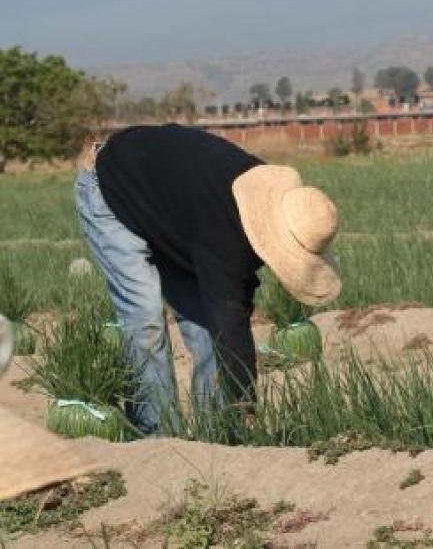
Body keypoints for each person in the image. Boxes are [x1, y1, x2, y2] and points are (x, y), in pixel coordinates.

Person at [75, 123, 340, 434]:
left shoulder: (261, 197)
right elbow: (230, 318)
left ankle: (214, 433)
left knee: (204, 325)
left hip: (170, 209)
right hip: (111, 186)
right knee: (145, 315)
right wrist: (245, 404)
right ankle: (157, 436)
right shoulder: (227, 229)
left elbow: (230, 307)